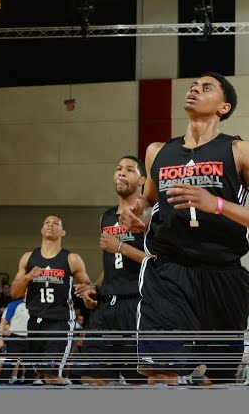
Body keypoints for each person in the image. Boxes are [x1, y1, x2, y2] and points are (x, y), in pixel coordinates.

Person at [120, 73, 249, 385]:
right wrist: (138, 215)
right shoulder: (157, 152)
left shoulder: (241, 152)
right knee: (160, 371)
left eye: (206, 87)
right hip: (168, 271)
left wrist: (216, 204)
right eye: (192, 86)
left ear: (223, 107)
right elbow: (147, 203)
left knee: (218, 379)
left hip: (222, 276)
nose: (194, 89)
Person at [74, 156, 148, 386]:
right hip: (106, 306)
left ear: (143, 180)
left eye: (129, 169)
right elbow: (110, 263)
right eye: (118, 169)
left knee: (140, 381)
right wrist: (95, 286)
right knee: (92, 378)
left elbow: (157, 262)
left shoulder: (150, 216)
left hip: (137, 303)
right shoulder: (106, 217)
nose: (121, 173)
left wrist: (121, 247)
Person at [9, 215, 93, 385]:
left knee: (51, 375)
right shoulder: (28, 258)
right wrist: (28, 278)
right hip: (34, 323)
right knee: (44, 375)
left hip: (60, 323)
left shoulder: (72, 259)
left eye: (56, 224)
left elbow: (88, 288)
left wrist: (87, 295)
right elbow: (14, 293)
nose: (50, 225)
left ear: (62, 232)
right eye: (47, 223)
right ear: (41, 229)